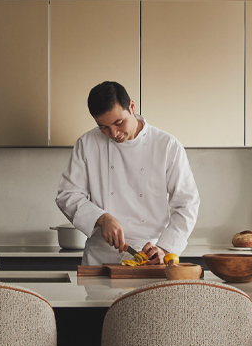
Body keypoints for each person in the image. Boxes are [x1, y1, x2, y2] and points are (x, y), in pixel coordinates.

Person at [55, 81, 200, 266]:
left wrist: (165, 248)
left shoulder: (167, 146)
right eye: (103, 127)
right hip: (101, 258)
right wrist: (102, 218)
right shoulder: (87, 144)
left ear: (131, 106)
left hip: (150, 256)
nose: (114, 133)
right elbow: (68, 195)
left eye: (119, 122)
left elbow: (187, 203)